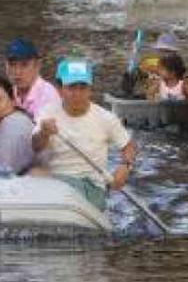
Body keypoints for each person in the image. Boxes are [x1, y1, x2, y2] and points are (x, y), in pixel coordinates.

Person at [32, 57, 136, 211]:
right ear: (60, 89)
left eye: (83, 87)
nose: (78, 94)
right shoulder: (47, 113)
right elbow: (35, 146)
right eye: (72, 87)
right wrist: (43, 132)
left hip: (90, 184)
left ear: (90, 90)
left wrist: (125, 166)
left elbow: (128, 147)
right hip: (54, 181)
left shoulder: (106, 118)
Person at [0, 38, 60, 170]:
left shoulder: (47, 96)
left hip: (42, 160)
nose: (17, 72)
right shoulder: (12, 90)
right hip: (20, 151)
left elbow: (43, 143)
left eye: (24, 65)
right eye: (13, 65)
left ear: (37, 65)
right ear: (6, 66)